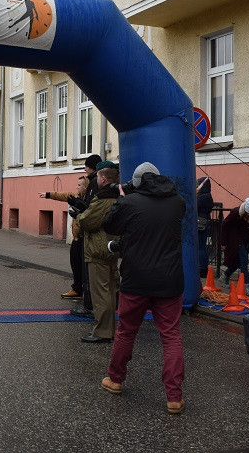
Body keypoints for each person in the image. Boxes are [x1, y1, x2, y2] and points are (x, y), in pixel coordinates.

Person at [100, 162, 187, 414]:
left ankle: (115, 379)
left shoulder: (129, 202)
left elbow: (109, 225)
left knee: (126, 331)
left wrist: (121, 200)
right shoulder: (178, 202)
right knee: (171, 336)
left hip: (136, 279)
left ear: (137, 183)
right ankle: (174, 397)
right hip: (169, 280)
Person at [75, 161, 121, 343]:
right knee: (109, 291)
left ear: (103, 179)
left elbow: (86, 221)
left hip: (98, 249)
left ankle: (102, 331)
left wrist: (78, 216)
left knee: (100, 293)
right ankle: (108, 329)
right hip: (111, 247)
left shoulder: (102, 199)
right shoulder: (118, 197)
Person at [39, 175, 88, 299]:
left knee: (84, 268)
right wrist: (48, 194)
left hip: (85, 239)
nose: (77, 187)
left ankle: (86, 293)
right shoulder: (77, 196)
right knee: (75, 265)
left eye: (79, 185)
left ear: (85, 187)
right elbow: (64, 195)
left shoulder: (90, 199)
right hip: (76, 239)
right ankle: (77, 289)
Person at [69, 154, 102, 319]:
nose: (85, 169)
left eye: (86, 166)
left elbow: (91, 211)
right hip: (96, 237)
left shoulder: (94, 184)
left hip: (92, 237)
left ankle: (90, 307)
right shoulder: (98, 185)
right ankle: (97, 307)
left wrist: (79, 211)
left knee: (89, 273)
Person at [220, 196, 249, 296]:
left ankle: (225, 275)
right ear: (245, 211)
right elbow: (224, 225)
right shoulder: (235, 213)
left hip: (245, 238)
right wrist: (223, 242)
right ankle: (247, 285)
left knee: (239, 261)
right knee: (244, 259)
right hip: (234, 238)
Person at [196, 177, 214, 280]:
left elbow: (194, 206)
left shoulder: (203, 197)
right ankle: (203, 268)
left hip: (201, 223)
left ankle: (202, 269)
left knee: (200, 247)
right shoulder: (208, 196)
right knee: (202, 247)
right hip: (205, 222)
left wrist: (195, 195)